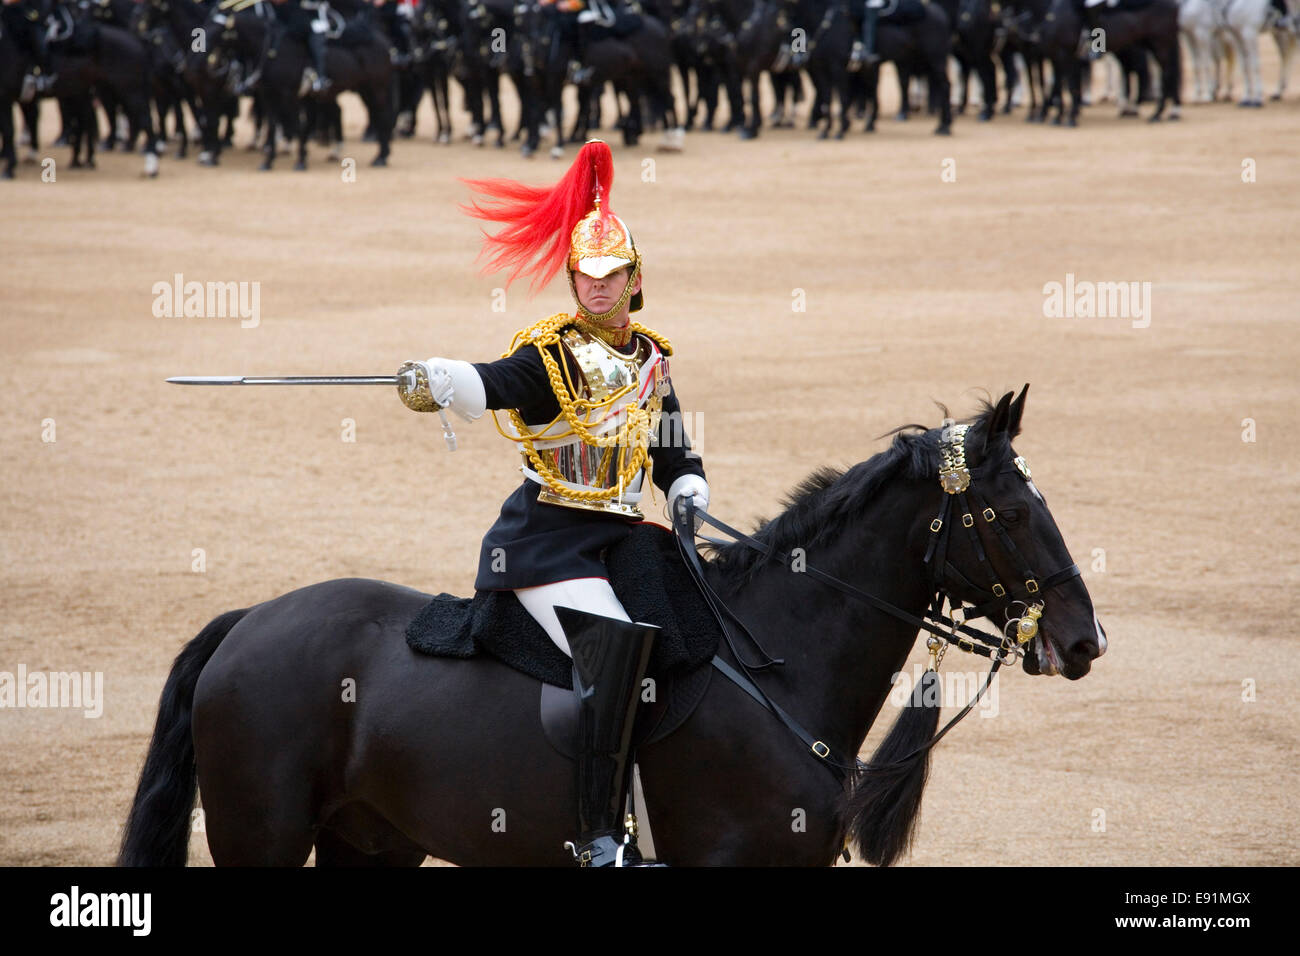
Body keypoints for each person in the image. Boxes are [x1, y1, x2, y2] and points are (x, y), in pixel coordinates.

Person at [396, 140, 709, 867]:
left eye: (613, 275)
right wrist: (447, 378)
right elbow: (496, 383)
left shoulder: (649, 359)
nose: (598, 287)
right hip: (549, 544)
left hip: (626, 536)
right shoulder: (551, 354)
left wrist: (688, 483)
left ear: (637, 279)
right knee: (616, 652)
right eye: (586, 276)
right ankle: (600, 835)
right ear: (574, 279)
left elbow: (671, 448)